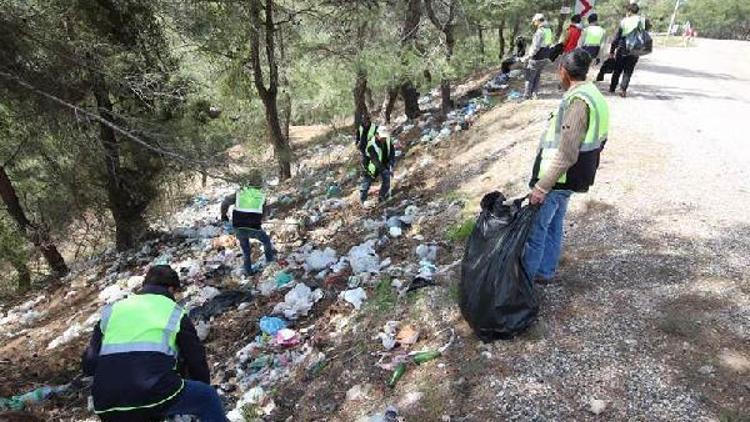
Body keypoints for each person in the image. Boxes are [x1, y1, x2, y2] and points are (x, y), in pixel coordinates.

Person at [82, 265, 227, 421]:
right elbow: (196, 360)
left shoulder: (112, 310)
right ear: (171, 289)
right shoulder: (174, 312)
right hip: (152, 391)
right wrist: (200, 386)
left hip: (105, 403)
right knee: (207, 397)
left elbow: (89, 364)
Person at [523, 49, 609, 283]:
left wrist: (541, 187)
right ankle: (545, 271)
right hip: (573, 177)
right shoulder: (593, 94)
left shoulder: (578, 103)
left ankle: (525, 282)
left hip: (560, 179)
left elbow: (567, 153)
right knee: (554, 225)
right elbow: (601, 139)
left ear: (564, 71)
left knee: (536, 231)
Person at [220, 171, 276, 275]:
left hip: (238, 227)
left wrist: (224, 215)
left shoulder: (240, 193)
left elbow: (225, 203)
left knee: (246, 250)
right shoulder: (261, 195)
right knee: (266, 241)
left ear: (249, 182)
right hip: (254, 227)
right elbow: (264, 213)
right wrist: (261, 219)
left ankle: (248, 271)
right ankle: (270, 262)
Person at [609, 3, 645, 97]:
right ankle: (623, 89)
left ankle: (612, 87)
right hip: (635, 50)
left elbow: (617, 37)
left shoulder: (624, 21)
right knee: (628, 71)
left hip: (623, 48)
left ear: (629, 11)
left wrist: (612, 50)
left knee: (617, 69)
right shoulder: (641, 21)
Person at [521, 13, 554, 100]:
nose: (534, 23)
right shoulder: (549, 30)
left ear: (538, 21)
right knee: (537, 75)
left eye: (534, 21)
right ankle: (535, 94)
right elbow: (549, 43)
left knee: (529, 76)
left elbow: (536, 47)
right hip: (545, 56)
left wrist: (528, 56)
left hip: (537, 57)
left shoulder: (540, 32)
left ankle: (526, 95)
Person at [360, 127, 395, 205]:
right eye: (382, 137)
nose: (384, 139)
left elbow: (392, 152)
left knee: (387, 181)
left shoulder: (388, 140)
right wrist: (384, 170)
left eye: (385, 137)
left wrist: (391, 164)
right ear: (376, 135)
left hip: (383, 162)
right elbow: (374, 160)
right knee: (366, 183)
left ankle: (381, 197)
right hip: (370, 165)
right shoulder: (371, 145)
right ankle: (363, 201)